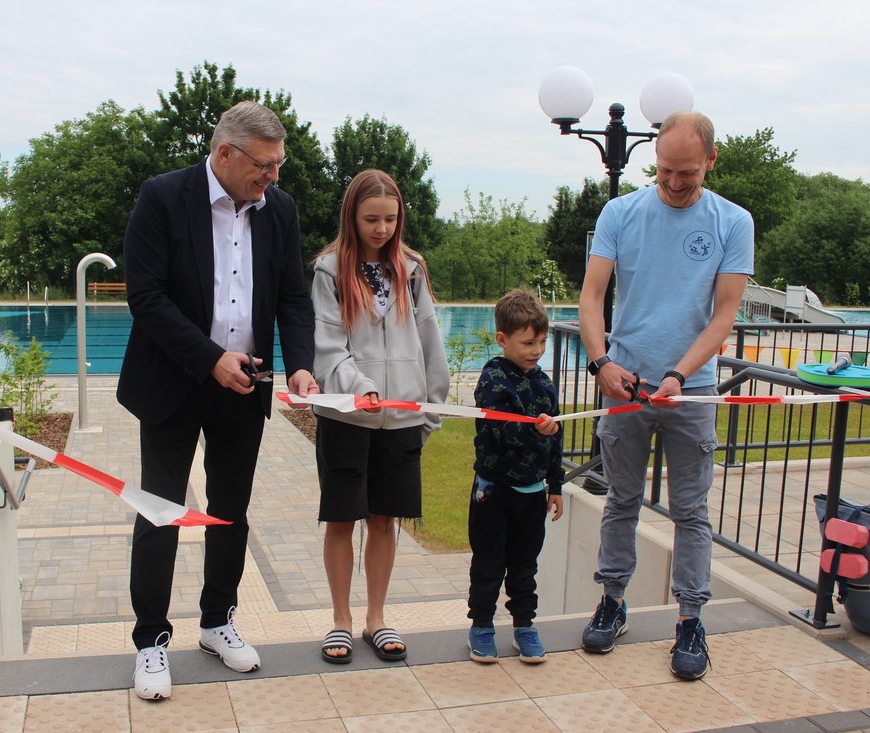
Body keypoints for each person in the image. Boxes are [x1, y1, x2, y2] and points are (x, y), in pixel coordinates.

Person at [117, 101, 318, 701]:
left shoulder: (279, 209)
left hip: (245, 384)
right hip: (173, 382)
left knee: (231, 512)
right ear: (225, 153)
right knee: (162, 511)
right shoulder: (162, 197)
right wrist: (209, 358)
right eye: (264, 165)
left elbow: (293, 298)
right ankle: (151, 640)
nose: (273, 177)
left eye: (279, 165)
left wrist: (300, 364)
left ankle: (216, 622)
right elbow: (146, 297)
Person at [577, 111, 754, 680]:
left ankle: (691, 620)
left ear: (711, 160)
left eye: (687, 173)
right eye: (664, 171)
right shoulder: (620, 213)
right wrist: (602, 363)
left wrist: (679, 373)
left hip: (691, 391)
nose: (674, 183)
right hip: (625, 385)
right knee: (621, 501)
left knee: (691, 511)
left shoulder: (733, 222)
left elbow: (724, 314)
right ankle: (612, 603)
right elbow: (592, 295)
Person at [311, 169, 449, 665]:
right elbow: (327, 346)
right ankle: (340, 620)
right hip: (348, 419)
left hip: (402, 419)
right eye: (371, 219)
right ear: (352, 216)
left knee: (384, 519)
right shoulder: (329, 271)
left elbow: (431, 344)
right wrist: (360, 388)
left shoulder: (411, 270)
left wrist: (430, 409)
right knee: (341, 520)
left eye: (390, 219)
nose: (382, 229)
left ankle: (376, 617)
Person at [466, 288, 564, 664]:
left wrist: (555, 485)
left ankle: (525, 626)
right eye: (528, 343)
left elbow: (556, 441)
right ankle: (482, 627)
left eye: (542, 341)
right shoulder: (493, 379)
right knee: (489, 564)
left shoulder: (545, 384)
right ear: (502, 339)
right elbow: (499, 431)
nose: (537, 350)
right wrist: (536, 430)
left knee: (525, 566)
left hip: (533, 494)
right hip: (493, 492)